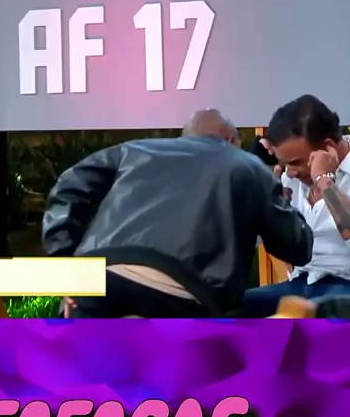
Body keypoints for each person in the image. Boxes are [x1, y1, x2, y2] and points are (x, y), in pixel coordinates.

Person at [42, 109, 313, 318]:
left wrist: (67, 267)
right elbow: (298, 246)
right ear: (231, 140)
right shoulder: (248, 165)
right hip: (185, 292)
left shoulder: (133, 150)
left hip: (99, 278)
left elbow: (68, 187)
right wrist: (281, 204)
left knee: (78, 372)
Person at [244, 95, 350, 317]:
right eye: (285, 164)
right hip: (300, 283)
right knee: (225, 307)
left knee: (315, 315)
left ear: (328, 147)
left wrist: (324, 180)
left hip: (344, 286)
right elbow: (252, 240)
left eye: (295, 163)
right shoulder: (289, 179)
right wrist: (266, 202)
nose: (290, 173)